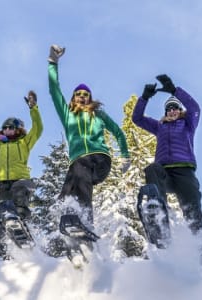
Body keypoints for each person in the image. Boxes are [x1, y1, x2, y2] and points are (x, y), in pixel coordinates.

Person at [47, 44, 131, 230]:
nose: (82, 97)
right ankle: (69, 230)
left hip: (99, 159)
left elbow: (118, 131)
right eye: (78, 94)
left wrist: (125, 155)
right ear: (73, 98)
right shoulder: (67, 114)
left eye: (86, 94)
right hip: (78, 164)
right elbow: (54, 90)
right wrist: (53, 62)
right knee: (67, 193)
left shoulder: (98, 115)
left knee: (79, 171)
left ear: (90, 98)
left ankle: (85, 222)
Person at [132, 74, 202, 252]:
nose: (172, 111)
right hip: (164, 173)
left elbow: (195, 107)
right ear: (165, 113)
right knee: (152, 168)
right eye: (169, 109)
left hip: (185, 173)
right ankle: (159, 222)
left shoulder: (188, 124)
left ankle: (201, 251)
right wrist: (144, 98)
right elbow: (137, 118)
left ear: (179, 110)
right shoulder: (159, 126)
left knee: (192, 210)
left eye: (175, 108)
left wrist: (174, 90)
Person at [0, 90, 43, 236]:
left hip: (21, 180)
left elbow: (38, 129)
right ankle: (9, 246)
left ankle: (23, 225)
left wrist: (33, 108)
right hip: (3, 183)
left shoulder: (24, 142)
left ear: (18, 129)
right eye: (5, 127)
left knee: (19, 201)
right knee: (3, 211)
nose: (7, 129)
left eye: (11, 127)